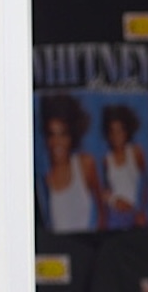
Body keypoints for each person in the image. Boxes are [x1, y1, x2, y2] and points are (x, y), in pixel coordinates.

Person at [38, 93, 101, 233]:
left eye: (63, 134)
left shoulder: (85, 164)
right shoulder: (45, 177)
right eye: (52, 134)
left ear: (72, 136)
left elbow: (102, 207)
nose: (57, 142)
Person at [99, 104, 148, 229]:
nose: (116, 136)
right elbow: (105, 191)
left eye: (120, 131)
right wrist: (111, 200)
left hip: (133, 214)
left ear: (126, 132)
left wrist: (142, 210)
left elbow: (147, 183)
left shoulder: (135, 152)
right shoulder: (107, 159)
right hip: (114, 215)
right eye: (112, 131)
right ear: (108, 134)